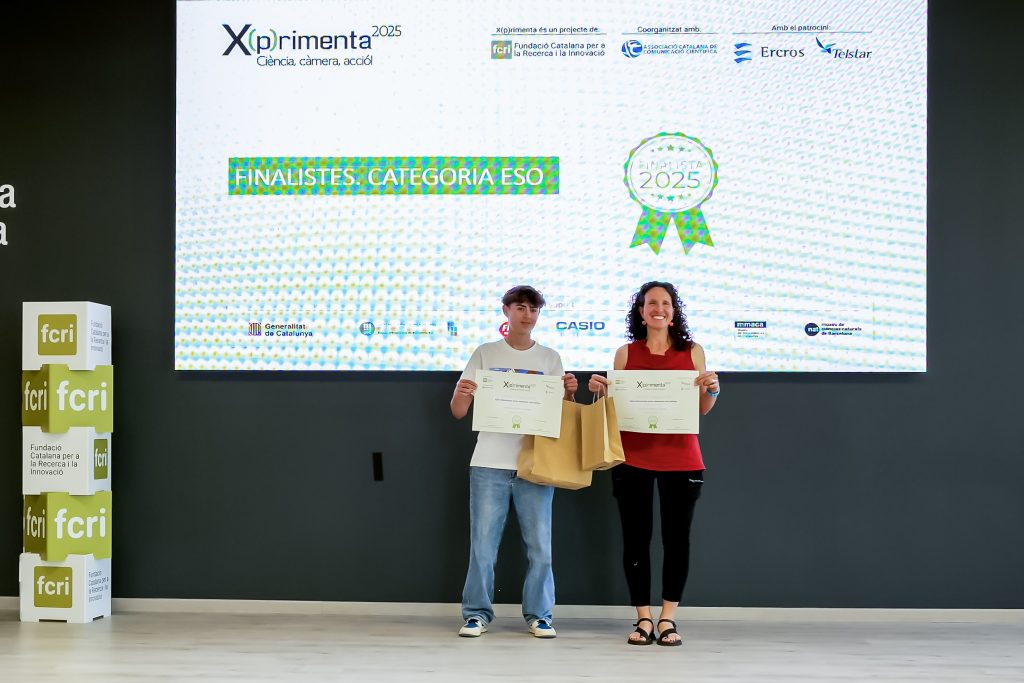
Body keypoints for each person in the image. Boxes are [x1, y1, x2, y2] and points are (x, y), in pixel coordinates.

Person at [588, 281, 719, 647]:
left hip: (682, 459)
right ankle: (644, 617)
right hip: (632, 459)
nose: (658, 308)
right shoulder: (625, 354)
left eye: (665, 303)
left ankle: (668, 618)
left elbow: (702, 408)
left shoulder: (693, 352)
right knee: (636, 539)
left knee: (677, 540)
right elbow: (614, 411)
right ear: (641, 312)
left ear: (673, 312)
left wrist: (712, 389)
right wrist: (602, 392)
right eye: (651, 303)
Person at [450, 285, 578, 638]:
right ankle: (476, 614)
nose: (527, 315)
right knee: (482, 547)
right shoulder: (485, 353)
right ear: (506, 310)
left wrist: (569, 394)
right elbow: (458, 411)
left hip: (535, 464)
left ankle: (540, 615)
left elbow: (562, 417)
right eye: (520, 307)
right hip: (488, 461)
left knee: (540, 548)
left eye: (533, 309)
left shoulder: (549, 358)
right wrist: (461, 394)